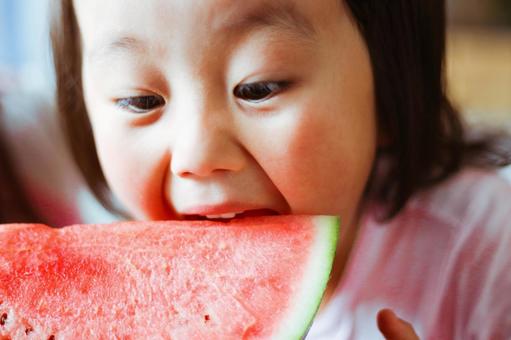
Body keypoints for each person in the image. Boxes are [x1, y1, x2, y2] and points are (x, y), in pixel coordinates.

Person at [50, 0, 511, 338]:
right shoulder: (109, 283)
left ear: (390, 96)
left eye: (258, 88)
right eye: (140, 100)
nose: (196, 156)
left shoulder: (488, 249)